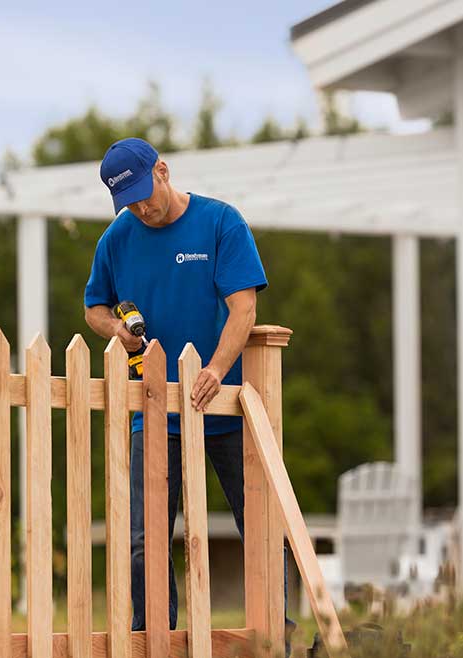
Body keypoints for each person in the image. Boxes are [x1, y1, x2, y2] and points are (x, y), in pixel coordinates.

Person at [83, 137, 293, 650]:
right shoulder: (116, 239)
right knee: (143, 539)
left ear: (163, 170)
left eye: (142, 194)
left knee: (262, 530)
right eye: (127, 201)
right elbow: (94, 308)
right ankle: (152, 642)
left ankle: (276, 643)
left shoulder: (221, 223)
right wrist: (116, 331)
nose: (140, 208)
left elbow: (244, 308)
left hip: (226, 407)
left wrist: (218, 369)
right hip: (152, 412)